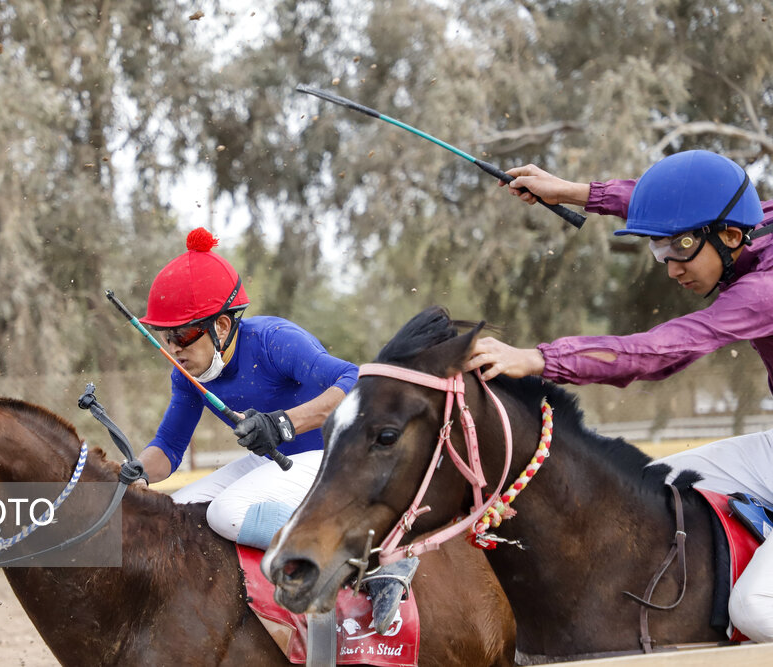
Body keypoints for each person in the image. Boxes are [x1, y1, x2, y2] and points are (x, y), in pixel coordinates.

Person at [463, 149, 773, 641]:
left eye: (680, 249)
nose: (670, 268)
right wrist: (567, 190)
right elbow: (664, 202)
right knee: (654, 487)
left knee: (755, 609)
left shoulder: (763, 291)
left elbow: (658, 351)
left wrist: (540, 359)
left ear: (731, 237)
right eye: (661, 250)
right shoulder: (753, 219)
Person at [135, 227, 416, 632]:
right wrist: (133, 472)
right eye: (165, 337)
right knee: (176, 515)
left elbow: (355, 381)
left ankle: (366, 562)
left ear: (224, 328)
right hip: (275, 464)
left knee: (226, 512)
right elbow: (168, 446)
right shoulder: (188, 374)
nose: (173, 349)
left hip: (330, 458)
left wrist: (284, 423)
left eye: (182, 334)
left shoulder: (274, 340)